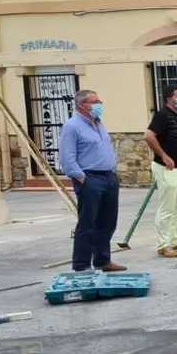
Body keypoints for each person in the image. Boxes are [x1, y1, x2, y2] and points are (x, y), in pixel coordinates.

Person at [59, 89, 126, 273]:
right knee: (88, 223)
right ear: (82, 105)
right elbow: (67, 158)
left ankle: (102, 260)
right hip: (90, 179)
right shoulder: (72, 127)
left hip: (108, 178)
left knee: (107, 222)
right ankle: (81, 265)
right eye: (94, 102)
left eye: (99, 101)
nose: (99, 105)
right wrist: (82, 178)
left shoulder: (98, 123)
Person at [144, 84, 177, 258]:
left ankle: (176, 240)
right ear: (169, 98)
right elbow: (149, 136)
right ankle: (163, 244)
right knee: (167, 207)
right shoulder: (162, 116)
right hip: (167, 167)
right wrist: (164, 156)